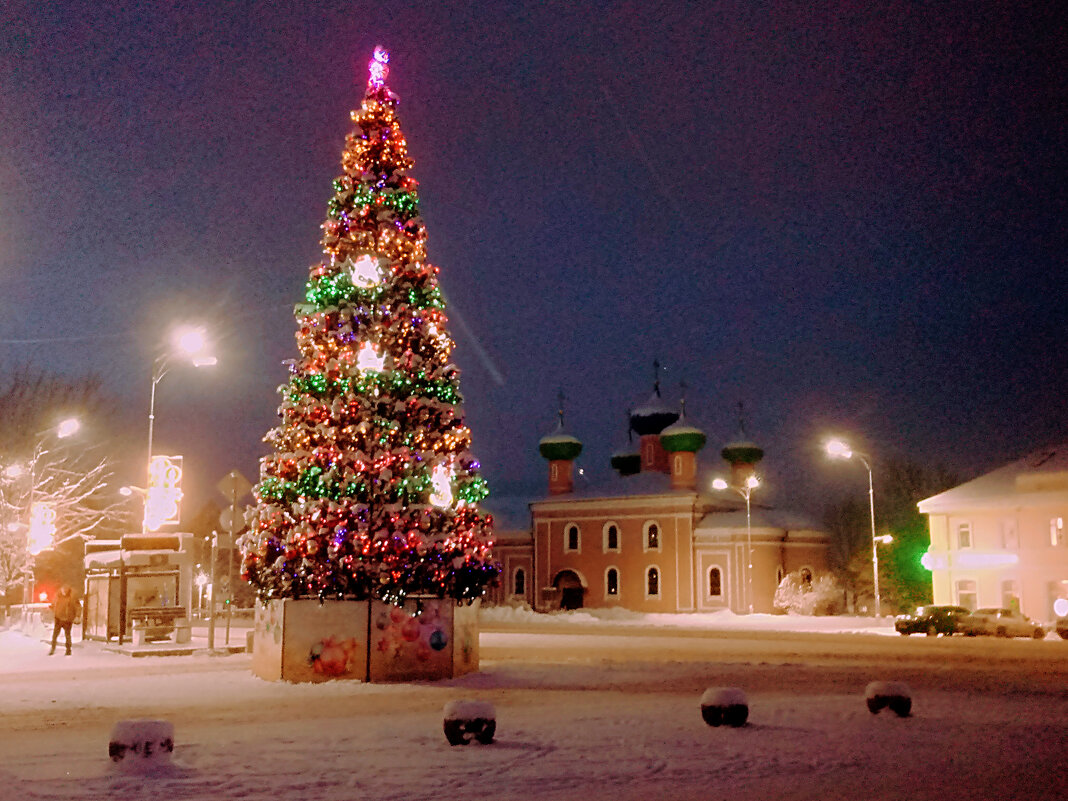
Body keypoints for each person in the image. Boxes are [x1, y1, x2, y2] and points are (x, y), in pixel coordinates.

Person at [50, 585, 80, 656]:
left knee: (67, 635)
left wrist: (77, 616)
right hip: (59, 618)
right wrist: (52, 607)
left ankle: (68, 650)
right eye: (63, 589)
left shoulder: (72, 598)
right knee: (56, 635)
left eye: (65, 590)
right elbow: (54, 604)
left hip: (67, 619)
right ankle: (53, 648)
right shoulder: (58, 597)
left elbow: (77, 607)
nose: (64, 591)